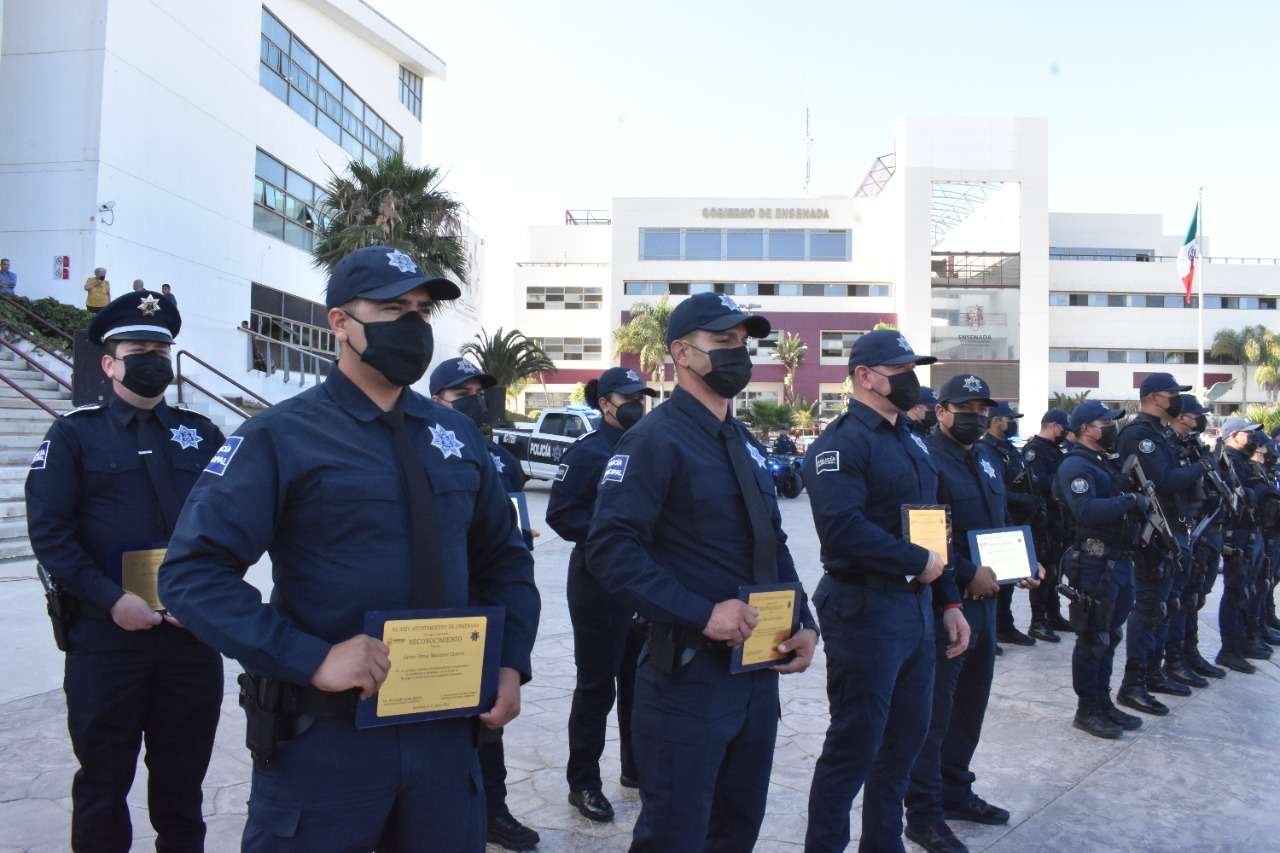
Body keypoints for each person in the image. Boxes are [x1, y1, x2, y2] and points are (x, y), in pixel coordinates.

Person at [158, 245, 541, 851]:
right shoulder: (280, 436)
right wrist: (310, 657)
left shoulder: (456, 434)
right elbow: (190, 575)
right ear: (340, 322)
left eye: (422, 310)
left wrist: (512, 661)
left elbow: (504, 560)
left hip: (444, 737)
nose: (414, 325)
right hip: (325, 746)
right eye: (392, 308)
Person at [587, 292, 818, 852]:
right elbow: (610, 549)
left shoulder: (741, 440)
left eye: (743, 342)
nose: (739, 353)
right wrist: (701, 612)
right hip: (686, 675)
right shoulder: (654, 439)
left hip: (757, 669)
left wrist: (803, 619)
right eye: (723, 342)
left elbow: (773, 541)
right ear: (682, 354)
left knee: (737, 826)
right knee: (675, 834)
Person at [26, 289, 226, 850]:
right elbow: (51, 535)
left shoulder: (201, 434)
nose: (153, 360)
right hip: (105, 638)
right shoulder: (73, 435)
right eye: (138, 348)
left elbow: (232, 524)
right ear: (109, 363)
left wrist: (206, 597)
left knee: (183, 784)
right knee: (103, 782)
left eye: (161, 350)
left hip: (189, 640)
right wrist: (112, 599)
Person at [802, 329, 970, 853]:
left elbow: (929, 526)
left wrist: (948, 599)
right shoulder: (840, 444)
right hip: (863, 608)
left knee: (903, 746)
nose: (912, 380)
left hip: (915, 610)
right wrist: (918, 562)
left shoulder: (910, 440)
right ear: (866, 377)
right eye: (901, 370)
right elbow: (842, 528)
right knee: (853, 747)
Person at [906, 374, 1037, 853]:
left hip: (987, 604)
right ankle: (923, 813)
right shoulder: (924, 459)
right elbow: (924, 538)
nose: (976, 417)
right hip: (947, 605)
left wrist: (1022, 561)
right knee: (935, 714)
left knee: (970, 709)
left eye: (983, 409)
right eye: (966, 407)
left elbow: (996, 526)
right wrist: (964, 574)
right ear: (941, 411)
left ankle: (956, 792)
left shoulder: (985, 457)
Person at [429, 356, 541, 852]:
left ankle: (492, 810)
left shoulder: (499, 457)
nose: (475, 400)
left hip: (490, 602)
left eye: (479, 391)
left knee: (489, 718)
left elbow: (510, 523)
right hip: (444, 604)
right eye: (462, 393)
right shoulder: (424, 448)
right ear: (437, 400)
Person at [548, 366, 656, 825]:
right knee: (597, 684)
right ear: (605, 403)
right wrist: (609, 540)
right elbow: (560, 514)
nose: (638, 404)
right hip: (598, 583)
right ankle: (584, 782)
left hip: (646, 584)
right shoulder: (588, 452)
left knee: (640, 681)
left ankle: (635, 769)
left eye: (642, 396)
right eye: (629, 397)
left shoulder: (650, 447)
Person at [1114, 373, 1205, 716]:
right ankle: (1133, 684)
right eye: (1173, 395)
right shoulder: (1140, 435)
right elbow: (1163, 481)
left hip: (1176, 524)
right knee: (1150, 605)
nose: (1177, 401)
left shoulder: (1161, 434)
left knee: (1166, 603)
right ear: (1154, 397)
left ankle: (1153, 672)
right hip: (1153, 531)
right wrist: (1200, 468)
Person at [1055, 401, 1147, 739]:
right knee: (1093, 636)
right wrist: (1129, 502)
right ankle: (1087, 709)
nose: (1110, 427)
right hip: (1094, 562)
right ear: (1084, 430)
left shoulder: (1101, 463)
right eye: (1104, 422)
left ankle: (1103, 701)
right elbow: (1085, 511)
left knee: (1111, 634)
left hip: (1118, 560)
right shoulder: (1075, 466)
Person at [1164, 396, 1227, 682]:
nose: (1197, 421)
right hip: (1186, 527)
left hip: (1199, 527)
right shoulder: (1168, 444)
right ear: (1180, 416)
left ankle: (1189, 653)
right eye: (1192, 415)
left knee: (1193, 597)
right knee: (1180, 599)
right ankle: (1174, 660)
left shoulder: (1193, 446)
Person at [979, 402, 1037, 648]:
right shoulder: (986, 450)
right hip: (999, 520)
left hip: (1017, 520)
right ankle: (990, 632)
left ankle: (1004, 626)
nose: (1012, 422)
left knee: (1009, 582)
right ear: (995, 421)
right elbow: (997, 489)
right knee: (995, 583)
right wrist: (1023, 499)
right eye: (1009, 418)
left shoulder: (1008, 449)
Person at [1216, 416, 1269, 672]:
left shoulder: (1246, 462)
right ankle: (1229, 649)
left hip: (1253, 531)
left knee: (1249, 589)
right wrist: (1261, 492)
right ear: (1234, 435)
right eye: (1247, 434)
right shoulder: (1227, 461)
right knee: (1236, 591)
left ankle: (1243, 641)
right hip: (1238, 534)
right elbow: (1240, 498)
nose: (1252, 439)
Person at [1023, 410, 1074, 642]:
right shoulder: (1035, 450)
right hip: (1042, 519)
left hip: (1057, 518)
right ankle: (1038, 621)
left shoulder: (1054, 450)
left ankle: (1053, 614)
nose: (1065, 433)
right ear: (1053, 426)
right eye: (1064, 428)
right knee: (1044, 570)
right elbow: (1037, 483)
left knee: (1056, 569)